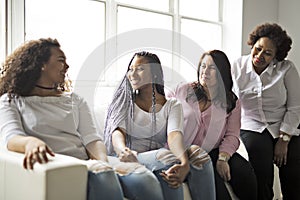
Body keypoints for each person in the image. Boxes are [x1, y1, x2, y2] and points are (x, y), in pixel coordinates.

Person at [0, 38, 162, 200]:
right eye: (61, 61)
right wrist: (31, 143)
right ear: (41, 64)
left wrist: (103, 161)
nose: (67, 66)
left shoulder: (74, 100)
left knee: (145, 178)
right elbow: (12, 136)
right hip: (60, 167)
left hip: (88, 162)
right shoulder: (11, 101)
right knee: (105, 178)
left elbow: (92, 139)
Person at [104, 51, 216, 200]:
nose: (133, 74)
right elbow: (117, 133)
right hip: (126, 156)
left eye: (140, 69)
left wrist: (184, 163)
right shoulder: (124, 100)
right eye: (131, 69)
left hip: (155, 159)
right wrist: (123, 150)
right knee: (166, 157)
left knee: (199, 155)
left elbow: (174, 135)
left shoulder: (172, 105)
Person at [168, 50, 257, 200]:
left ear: (221, 72)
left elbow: (232, 135)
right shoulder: (182, 90)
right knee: (218, 190)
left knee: (245, 173)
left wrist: (223, 158)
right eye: (203, 66)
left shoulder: (231, 102)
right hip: (187, 151)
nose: (205, 72)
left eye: (212, 68)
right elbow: (162, 109)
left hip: (215, 151)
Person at [231, 22, 300, 200]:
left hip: (283, 124)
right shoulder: (237, 67)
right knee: (260, 162)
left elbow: (295, 107)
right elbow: (228, 101)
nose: (260, 56)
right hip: (252, 125)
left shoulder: (287, 69)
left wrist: (284, 140)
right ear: (252, 44)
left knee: (294, 164)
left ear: (276, 57)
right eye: (258, 48)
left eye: (268, 53)